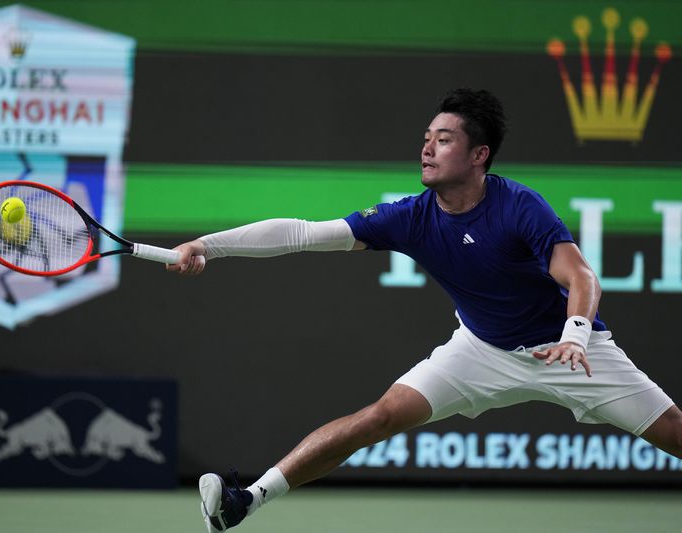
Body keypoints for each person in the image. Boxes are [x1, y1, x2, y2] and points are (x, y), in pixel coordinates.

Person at [167, 88, 682, 532]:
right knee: (379, 417)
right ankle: (245, 501)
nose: (427, 147)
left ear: (479, 154)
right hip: (480, 350)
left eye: (444, 139)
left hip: (570, 351)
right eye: (427, 137)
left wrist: (575, 335)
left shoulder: (520, 206)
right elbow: (303, 233)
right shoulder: (408, 217)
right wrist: (208, 246)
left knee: (674, 434)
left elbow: (581, 278)